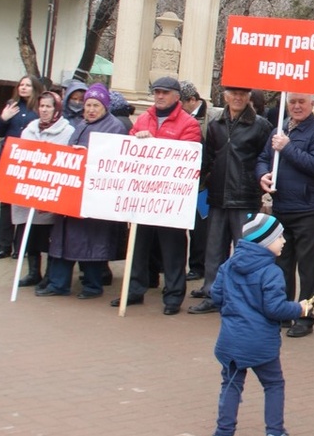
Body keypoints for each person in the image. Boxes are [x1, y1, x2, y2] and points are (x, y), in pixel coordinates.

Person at [205, 213, 314, 436]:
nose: (284, 241)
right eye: (279, 237)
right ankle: (275, 435)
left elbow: (217, 295)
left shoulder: (228, 265)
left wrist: (233, 312)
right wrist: (299, 309)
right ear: (265, 242)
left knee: (231, 385)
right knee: (274, 383)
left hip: (232, 338)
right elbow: (275, 309)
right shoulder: (271, 272)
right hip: (260, 341)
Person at [112, 77, 202, 315]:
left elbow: (188, 157)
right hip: (143, 196)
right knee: (138, 246)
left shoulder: (188, 124)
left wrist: (155, 145)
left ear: (177, 96)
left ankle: (173, 296)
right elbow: (128, 148)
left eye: (165, 92)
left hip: (171, 200)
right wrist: (136, 141)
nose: (160, 96)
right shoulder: (143, 119)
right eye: (157, 92)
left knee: (173, 250)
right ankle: (134, 290)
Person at [38, 84, 128, 298]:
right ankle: (58, 284)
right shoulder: (81, 124)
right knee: (64, 241)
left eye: (96, 105)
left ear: (105, 106)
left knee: (91, 243)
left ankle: (92, 286)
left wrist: (88, 155)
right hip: (73, 194)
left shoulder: (114, 127)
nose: (91, 109)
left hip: (94, 197)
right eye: (88, 105)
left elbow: (115, 160)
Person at [188, 86, 273, 312]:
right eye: (233, 94)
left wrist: (262, 189)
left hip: (245, 197)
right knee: (214, 250)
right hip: (217, 196)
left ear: (248, 97)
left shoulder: (261, 126)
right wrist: (201, 182)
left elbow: (266, 160)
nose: (237, 98)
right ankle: (213, 294)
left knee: (245, 252)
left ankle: (244, 299)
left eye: (242, 94)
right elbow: (208, 158)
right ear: (225, 97)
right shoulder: (215, 124)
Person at [254, 92, 314, 338]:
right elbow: (263, 158)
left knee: (309, 270)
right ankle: (284, 311)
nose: (296, 106)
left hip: (310, 210)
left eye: (301, 102)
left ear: (312, 104)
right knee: (281, 265)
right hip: (282, 207)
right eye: (292, 102)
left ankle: (305, 317)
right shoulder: (279, 129)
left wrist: (287, 147)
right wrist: (262, 175)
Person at [14, 91, 71, 287]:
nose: (44, 110)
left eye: (49, 106)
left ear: (57, 109)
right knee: (29, 234)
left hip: (51, 193)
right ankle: (33, 272)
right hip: (30, 191)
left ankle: (49, 275)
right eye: (42, 106)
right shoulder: (29, 130)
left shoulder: (67, 131)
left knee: (49, 237)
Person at [0, 75, 43, 259]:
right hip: (8, 159)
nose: (23, 88)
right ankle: (3, 246)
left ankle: (20, 247)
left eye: (28, 85)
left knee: (23, 204)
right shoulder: (11, 106)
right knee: (5, 204)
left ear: (35, 89)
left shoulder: (38, 109)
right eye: (21, 85)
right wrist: (3, 118)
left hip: (28, 161)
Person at [179, 80, 210, 282]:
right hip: (184, 182)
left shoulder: (211, 117)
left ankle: (198, 266)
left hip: (203, 183)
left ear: (191, 100)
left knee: (200, 229)